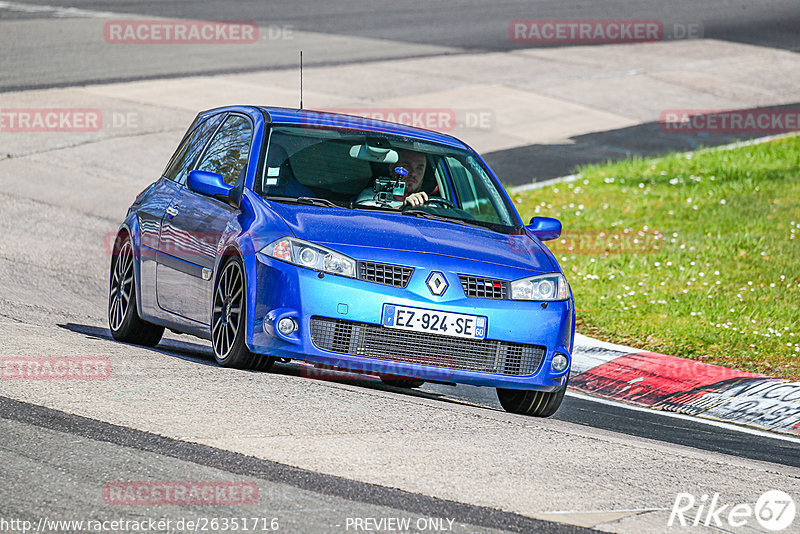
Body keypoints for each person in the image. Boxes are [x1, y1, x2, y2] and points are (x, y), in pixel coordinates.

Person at [354, 149, 430, 208]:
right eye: (407, 166)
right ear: (392, 168)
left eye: (419, 169)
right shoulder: (372, 195)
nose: (413, 173)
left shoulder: (429, 204)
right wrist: (404, 207)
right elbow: (367, 217)